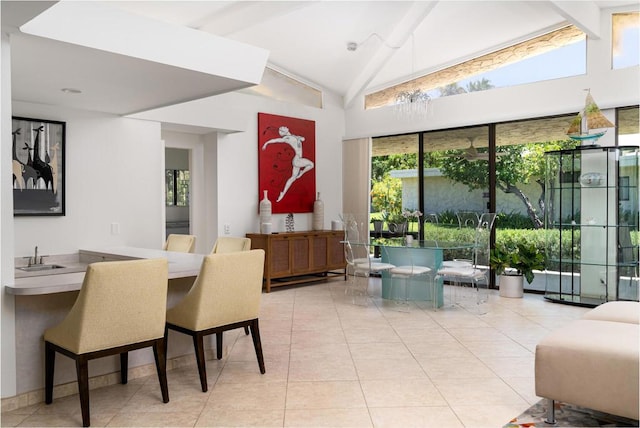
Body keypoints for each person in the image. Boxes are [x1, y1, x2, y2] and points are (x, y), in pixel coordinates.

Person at [262, 126, 314, 202]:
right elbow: (276, 140)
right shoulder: (287, 138)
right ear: (283, 133)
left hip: (297, 160)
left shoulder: (292, 136)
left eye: (282, 129)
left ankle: (282, 194)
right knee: (311, 164)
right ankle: (301, 173)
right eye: (280, 130)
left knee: (292, 178)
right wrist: (266, 143)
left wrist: (298, 138)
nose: (281, 129)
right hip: (297, 160)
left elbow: (303, 139)